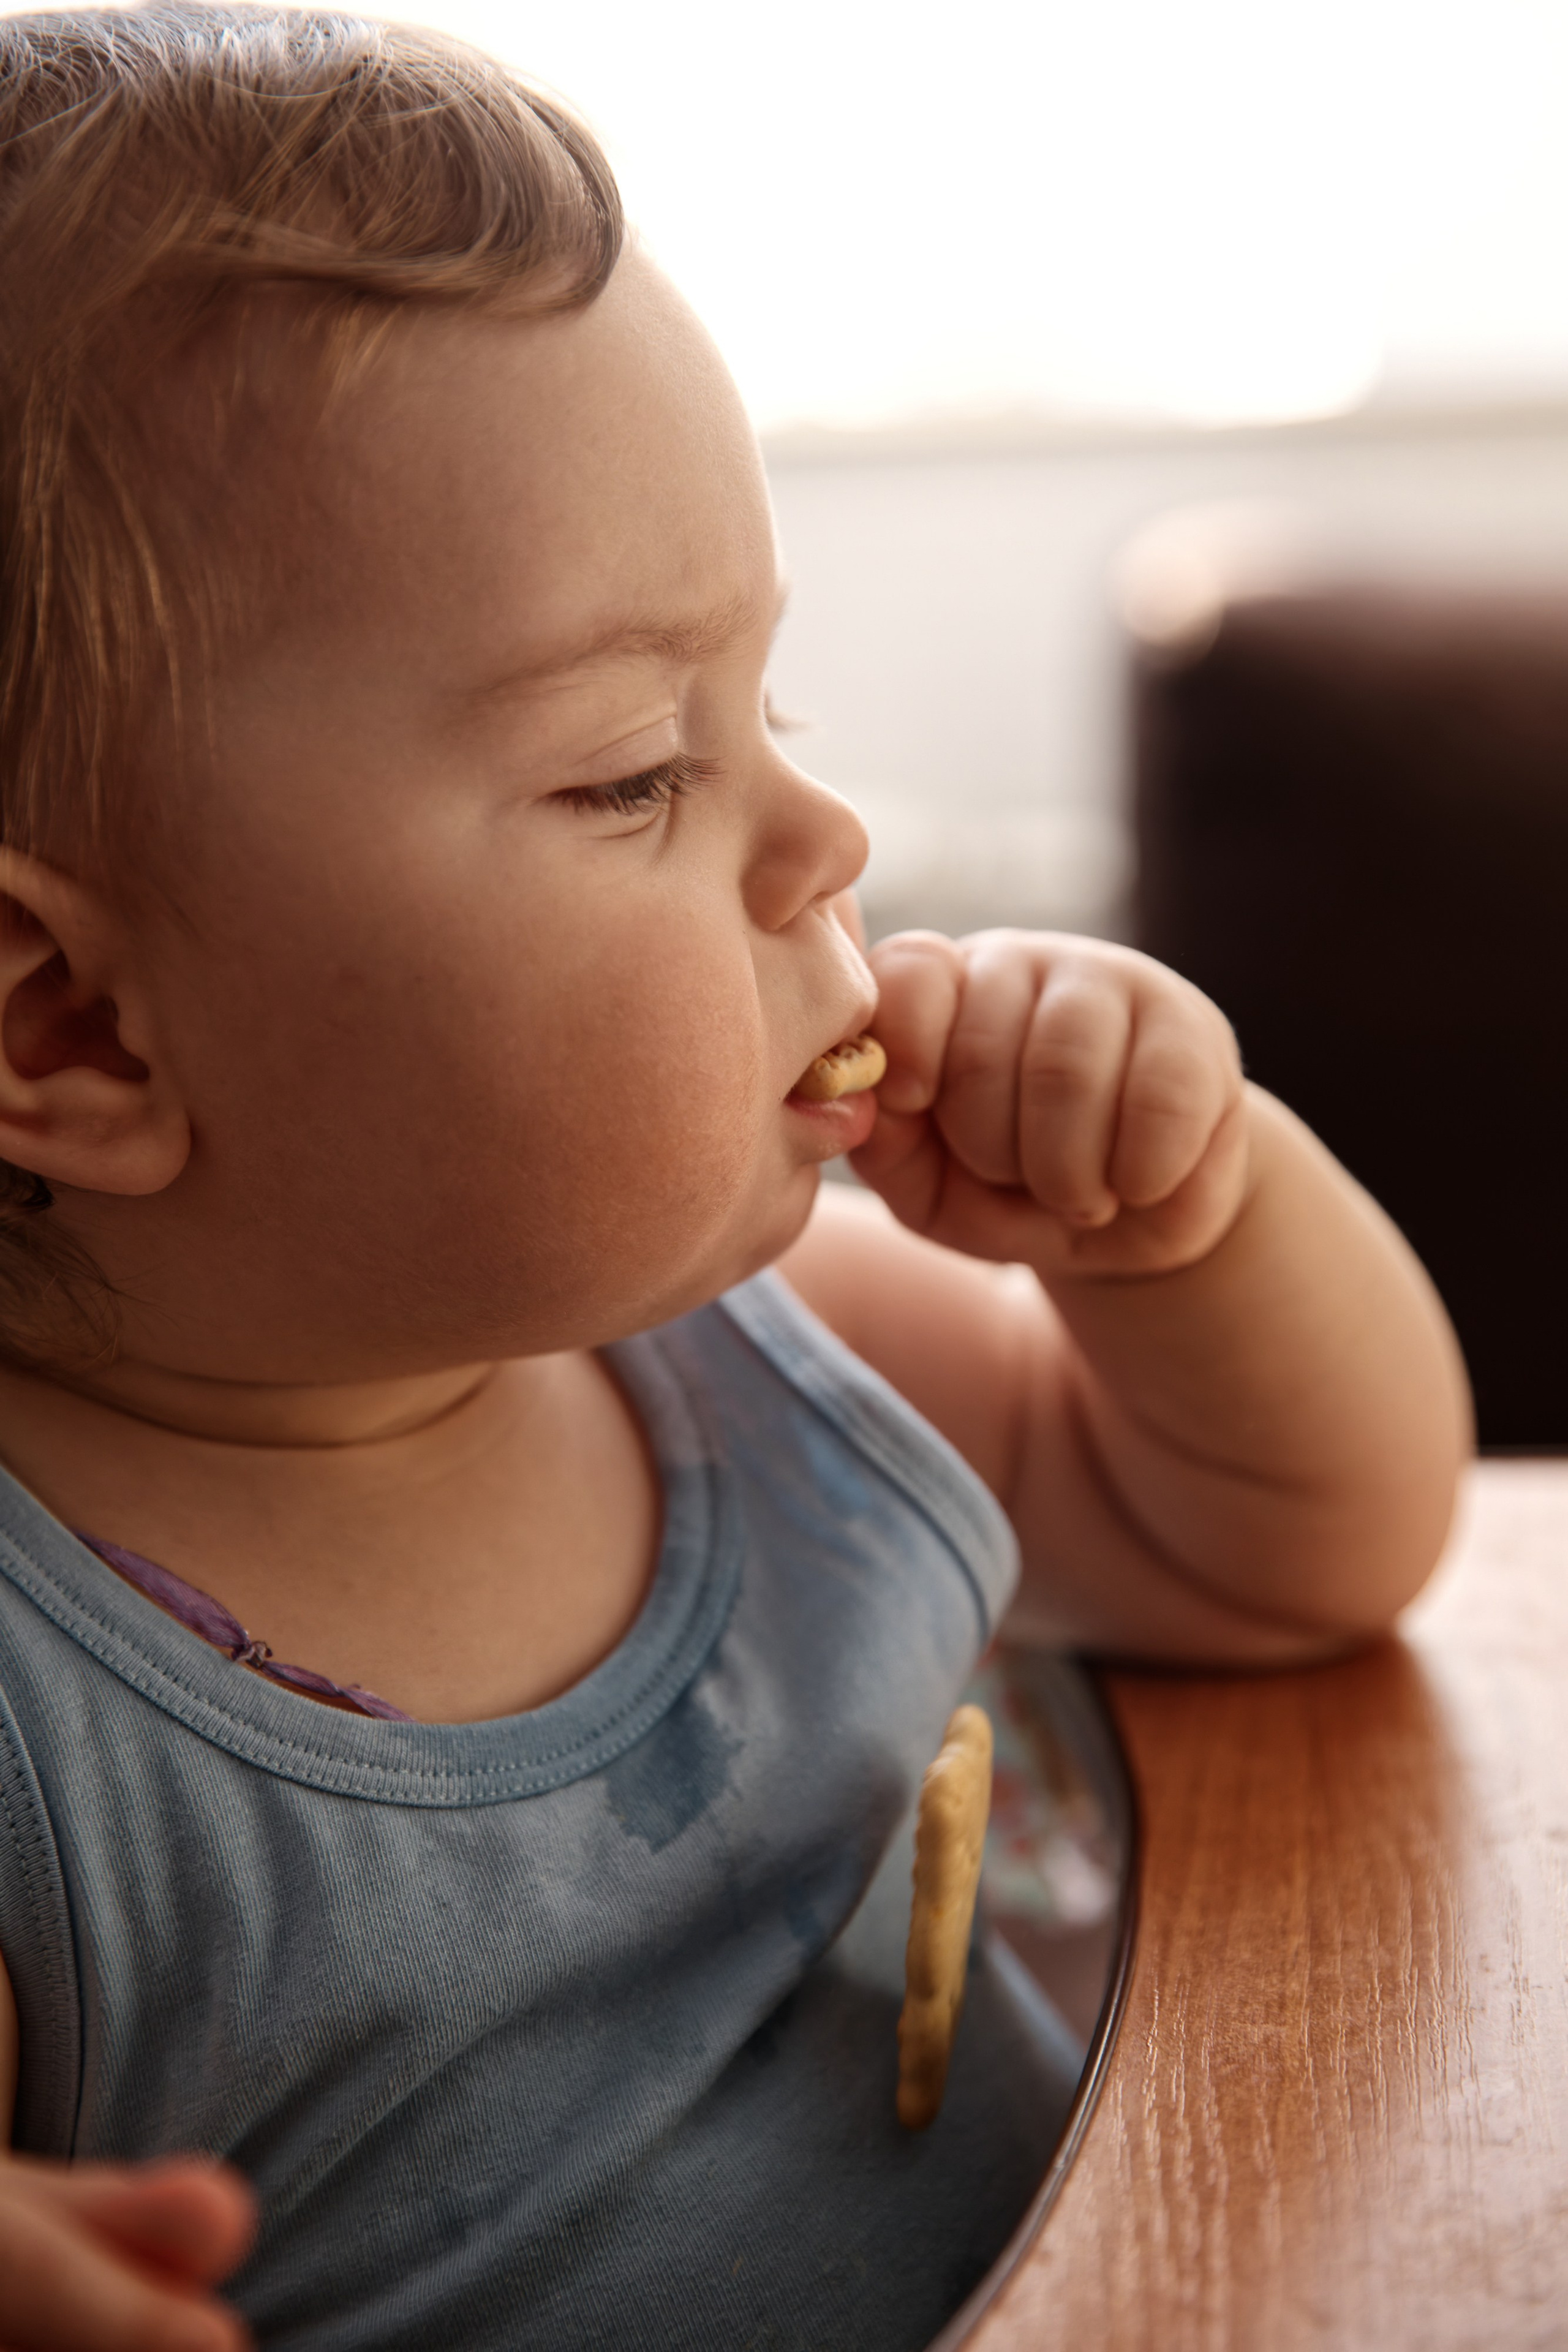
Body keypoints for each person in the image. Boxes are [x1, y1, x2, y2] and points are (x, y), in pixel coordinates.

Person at [0, 8, 1471, 2346]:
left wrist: (1190, 1227)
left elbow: (1306, 1546)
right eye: (624, 775)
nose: (828, 839)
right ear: (67, 1028)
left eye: (766, 706)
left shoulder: (743, 1359)